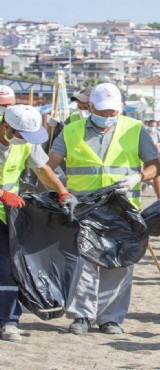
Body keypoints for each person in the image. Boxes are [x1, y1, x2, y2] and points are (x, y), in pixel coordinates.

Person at [47, 83, 160, 335]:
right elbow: (49, 165)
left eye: (113, 111)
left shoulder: (135, 128)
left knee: (119, 260)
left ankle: (111, 318)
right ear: (91, 107)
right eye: (103, 111)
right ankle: (81, 316)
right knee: (84, 261)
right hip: (83, 205)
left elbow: (155, 166)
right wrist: (60, 187)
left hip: (122, 206)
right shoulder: (72, 130)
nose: (108, 116)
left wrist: (138, 177)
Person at [0, 105, 78, 342]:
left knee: (8, 268)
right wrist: (1, 193)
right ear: (7, 128)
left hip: (5, 216)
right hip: (4, 203)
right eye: (22, 136)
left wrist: (62, 192)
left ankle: (9, 322)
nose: (26, 141)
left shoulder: (27, 139)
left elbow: (42, 169)